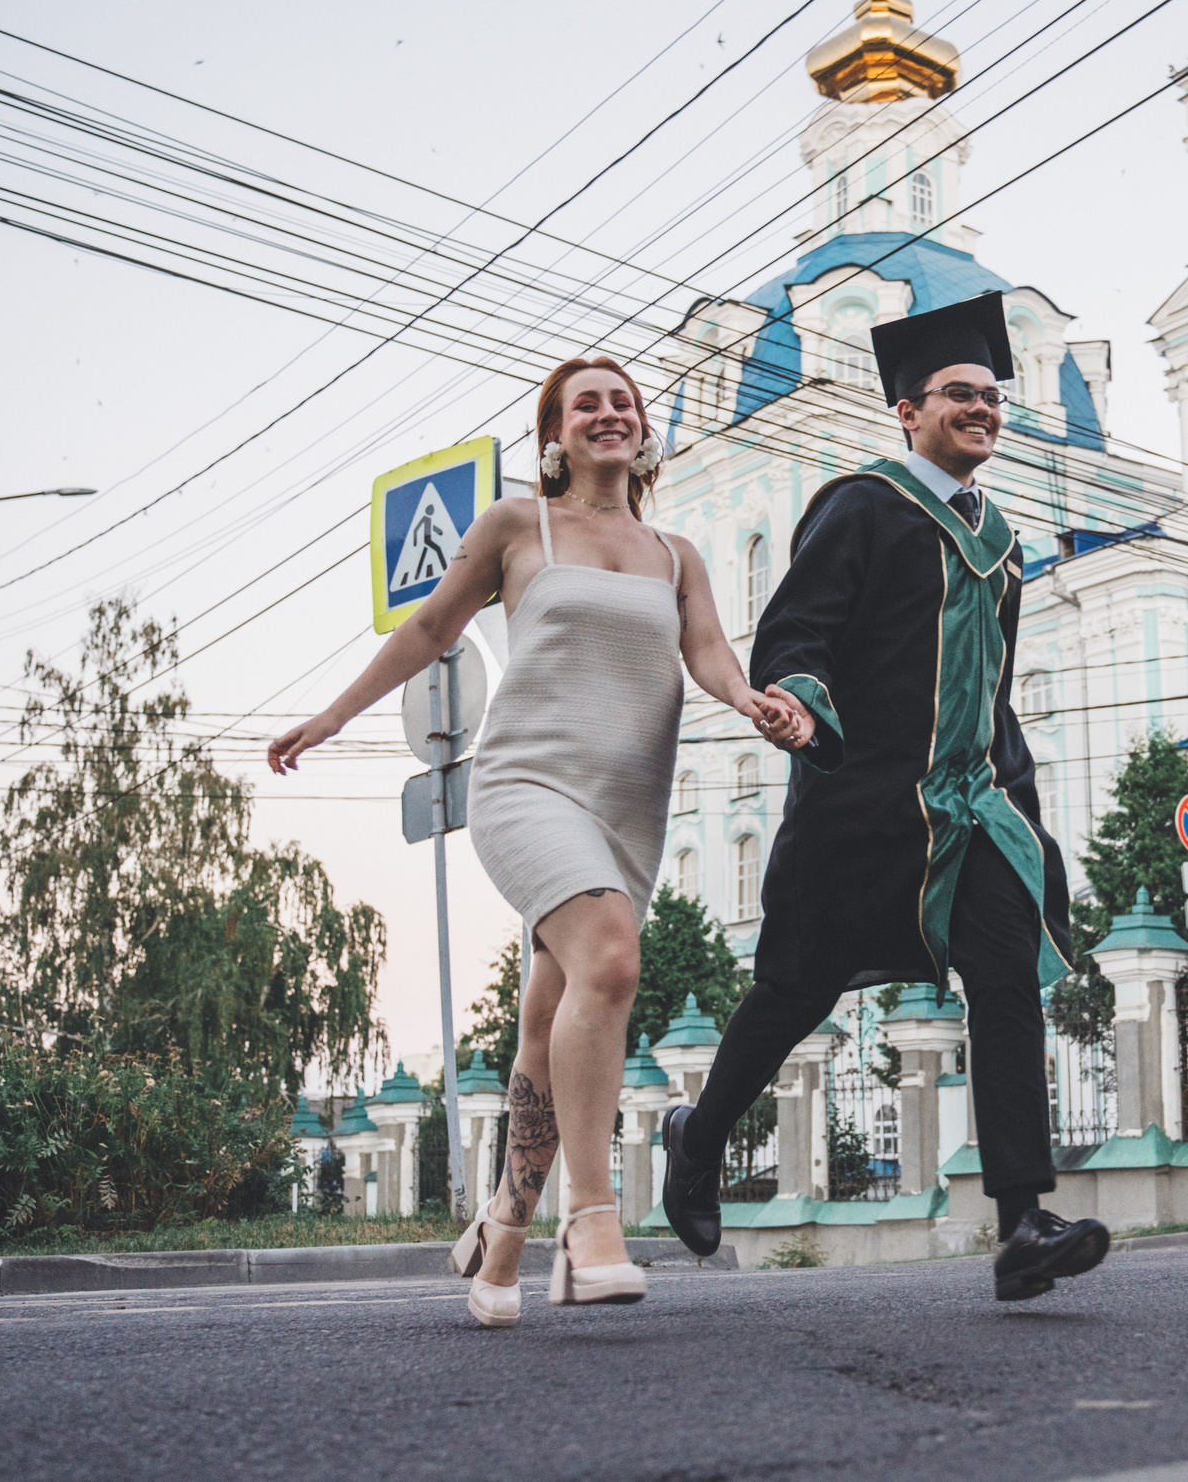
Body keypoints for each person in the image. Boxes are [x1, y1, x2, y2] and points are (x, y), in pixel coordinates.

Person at [266, 355, 806, 1327]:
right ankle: (592, 1221)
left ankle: (502, 1235)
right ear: (553, 436)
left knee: (552, 1017)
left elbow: (711, 654)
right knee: (610, 962)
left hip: (625, 809)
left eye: (624, 402)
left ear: (642, 433)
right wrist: (333, 717)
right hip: (524, 786)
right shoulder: (519, 527)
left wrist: (754, 700)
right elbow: (430, 628)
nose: (609, 413)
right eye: (584, 404)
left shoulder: (677, 553)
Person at [658, 291, 1110, 1303]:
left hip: (972, 806)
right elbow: (796, 632)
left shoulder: (999, 541)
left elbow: (988, 690)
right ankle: (696, 1135)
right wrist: (802, 708)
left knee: (1004, 981)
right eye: (960, 394)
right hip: (862, 805)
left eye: (992, 396)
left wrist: (1021, 810)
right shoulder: (860, 504)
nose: (981, 409)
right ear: (907, 410)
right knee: (793, 991)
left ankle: (1021, 1222)